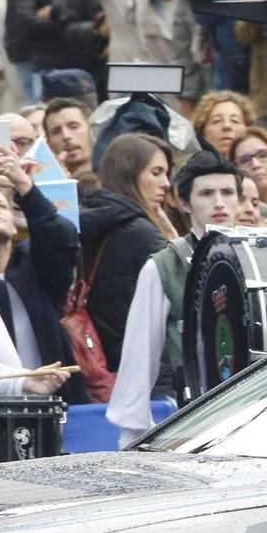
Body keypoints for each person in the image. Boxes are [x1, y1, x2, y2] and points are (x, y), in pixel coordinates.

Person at [106, 150, 242, 446]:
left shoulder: (256, 254)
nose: (219, 202)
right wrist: (131, 433)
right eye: (206, 193)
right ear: (184, 202)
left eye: (228, 192)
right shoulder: (165, 266)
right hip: (197, 417)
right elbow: (139, 356)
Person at [0, 143, 78, 402]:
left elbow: (62, 237)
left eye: (1, 205)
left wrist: (24, 187)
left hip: (52, 399)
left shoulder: (35, 266)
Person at [79, 132, 174, 374]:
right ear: (129, 175)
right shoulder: (142, 233)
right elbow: (178, 298)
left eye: (166, 173)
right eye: (156, 173)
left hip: (104, 365)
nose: (166, 183)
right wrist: (172, 239)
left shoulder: (90, 219)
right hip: (148, 370)